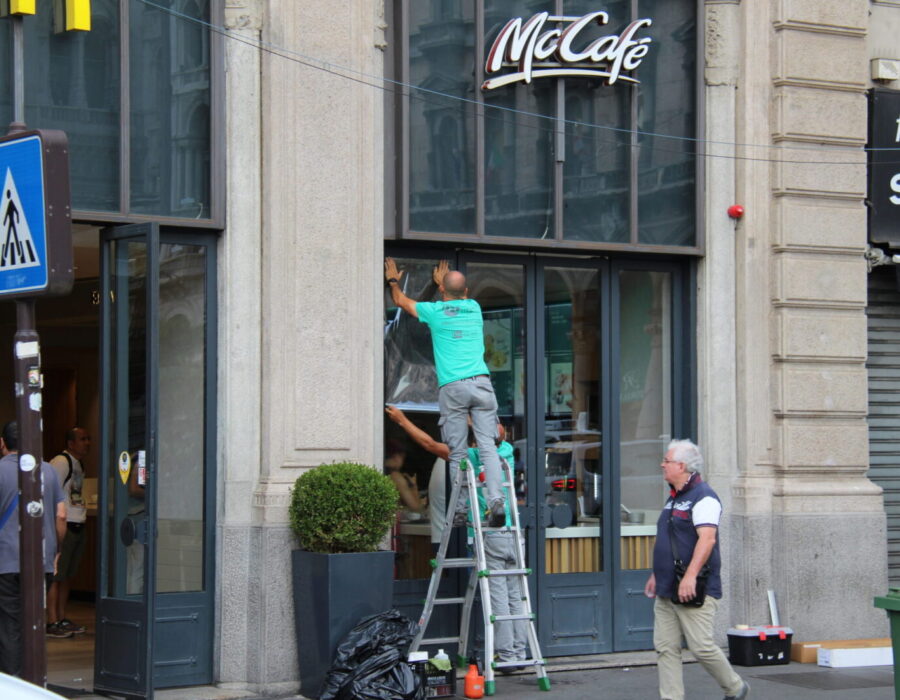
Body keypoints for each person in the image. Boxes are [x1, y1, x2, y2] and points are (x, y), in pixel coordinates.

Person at [385, 405, 527, 668]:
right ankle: (518, 654)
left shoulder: (473, 456)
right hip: (513, 535)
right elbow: (496, 433)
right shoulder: (505, 452)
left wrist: (402, 419)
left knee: (499, 598)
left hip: (491, 536)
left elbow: (429, 444)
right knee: (515, 597)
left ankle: (507, 657)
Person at [384, 258, 505, 527]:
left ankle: (460, 510)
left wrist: (393, 280)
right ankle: (496, 501)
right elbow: (456, 295)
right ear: (466, 292)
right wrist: (444, 284)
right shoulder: (474, 308)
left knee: (457, 452)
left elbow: (401, 302)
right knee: (488, 448)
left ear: (441, 292)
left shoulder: (435, 312)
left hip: (454, 388)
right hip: (482, 385)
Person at [644, 439, 749, 700]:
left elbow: (707, 539)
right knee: (666, 648)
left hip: (694, 586)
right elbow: (669, 538)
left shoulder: (704, 497)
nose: (662, 465)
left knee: (701, 647)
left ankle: (735, 687)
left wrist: (690, 576)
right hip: (668, 587)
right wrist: (657, 573)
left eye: (666, 461)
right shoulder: (674, 498)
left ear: (681, 465)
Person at [0, 421, 67, 674]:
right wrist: (56, 550)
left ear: (2, 443)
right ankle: (34, 681)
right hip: (42, 560)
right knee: (34, 622)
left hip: (6, 561)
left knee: (10, 625)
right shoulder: (48, 471)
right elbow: (61, 516)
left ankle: (12, 684)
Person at [47, 426, 91, 638]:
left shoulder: (79, 464)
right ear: (71, 443)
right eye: (82, 439)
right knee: (57, 574)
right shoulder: (61, 462)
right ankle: (52, 619)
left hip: (78, 521)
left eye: (88, 439)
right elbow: (48, 491)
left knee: (68, 575)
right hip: (64, 523)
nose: (87, 443)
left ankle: (62, 616)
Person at [384, 440, 426, 514]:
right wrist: (413, 487)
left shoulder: (382, 473)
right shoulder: (396, 477)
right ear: (396, 456)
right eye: (402, 457)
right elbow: (415, 508)